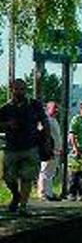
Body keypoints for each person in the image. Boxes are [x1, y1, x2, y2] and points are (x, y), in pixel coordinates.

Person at [0, 79, 51, 215]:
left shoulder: (34, 105)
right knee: (8, 178)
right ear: (12, 90)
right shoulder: (6, 108)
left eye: (22, 89)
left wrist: (46, 141)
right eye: (17, 89)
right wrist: (7, 125)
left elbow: (45, 122)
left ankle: (23, 206)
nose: (20, 92)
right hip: (11, 147)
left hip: (30, 146)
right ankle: (16, 195)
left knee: (27, 177)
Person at [37, 101, 63, 201]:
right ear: (47, 109)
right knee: (45, 170)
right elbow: (42, 135)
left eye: (57, 108)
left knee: (51, 172)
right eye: (54, 108)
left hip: (56, 150)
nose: (56, 110)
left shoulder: (54, 120)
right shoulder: (45, 120)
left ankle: (49, 193)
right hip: (48, 150)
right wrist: (47, 149)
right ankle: (42, 193)